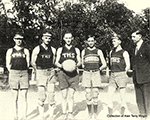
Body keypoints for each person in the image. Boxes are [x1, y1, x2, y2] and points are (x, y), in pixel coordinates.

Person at [31, 29, 57, 120]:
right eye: (46, 37)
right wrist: (38, 71)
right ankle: (41, 116)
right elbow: (33, 62)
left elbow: (53, 62)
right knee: (41, 95)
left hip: (50, 72)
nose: (48, 39)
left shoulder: (53, 50)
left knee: (51, 94)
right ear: (42, 38)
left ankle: (51, 116)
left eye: (49, 38)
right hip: (41, 72)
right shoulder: (37, 48)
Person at [55, 32, 81, 120]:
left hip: (73, 74)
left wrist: (74, 65)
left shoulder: (76, 50)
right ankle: (63, 113)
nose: (68, 39)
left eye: (70, 38)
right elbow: (56, 62)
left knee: (71, 95)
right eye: (66, 38)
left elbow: (80, 62)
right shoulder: (60, 49)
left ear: (72, 38)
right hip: (63, 74)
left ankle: (70, 113)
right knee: (64, 95)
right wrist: (63, 66)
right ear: (64, 39)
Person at [81, 35, 107, 120]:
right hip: (87, 73)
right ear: (87, 42)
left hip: (95, 73)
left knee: (95, 93)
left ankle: (95, 113)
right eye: (89, 41)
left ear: (94, 42)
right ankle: (89, 114)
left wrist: (98, 69)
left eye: (92, 41)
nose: (90, 42)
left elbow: (104, 64)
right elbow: (82, 64)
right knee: (88, 93)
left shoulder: (98, 51)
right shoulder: (84, 51)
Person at [6, 32, 30, 120]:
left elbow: (28, 63)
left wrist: (22, 71)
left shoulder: (26, 50)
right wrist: (13, 72)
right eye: (17, 39)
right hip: (13, 73)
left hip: (23, 73)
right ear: (14, 39)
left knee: (24, 96)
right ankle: (15, 116)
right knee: (14, 97)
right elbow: (8, 64)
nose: (19, 41)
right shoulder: (10, 50)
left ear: (22, 40)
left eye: (20, 39)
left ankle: (24, 116)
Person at [107, 35, 131, 115]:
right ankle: (110, 110)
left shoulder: (124, 52)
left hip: (121, 74)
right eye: (112, 41)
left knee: (122, 95)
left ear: (119, 41)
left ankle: (123, 109)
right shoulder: (111, 52)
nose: (113, 43)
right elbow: (110, 64)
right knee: (110, 93)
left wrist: (126, 73)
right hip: (113, 74)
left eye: (115, 41)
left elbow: (128, 65)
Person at [131, 30, 150, 120]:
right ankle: (142, 115)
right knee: (139, 99)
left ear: (140, 36)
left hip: (146, 78)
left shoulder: (147, 47)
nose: (132, 39)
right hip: (136, 78)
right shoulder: (133, 47)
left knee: (147, 99)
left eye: (134, 36)